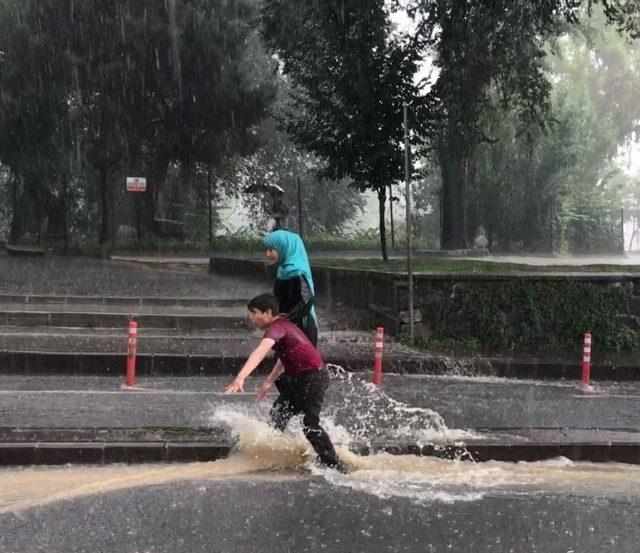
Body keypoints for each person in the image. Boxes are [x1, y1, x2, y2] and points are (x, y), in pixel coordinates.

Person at [225, 293, 345, 472]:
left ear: (267, 313)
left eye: (254, 313)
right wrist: (269, 380)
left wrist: (240, 378)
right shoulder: (282, 326)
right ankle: (273, 455)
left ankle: (334, 466)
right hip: (299, 380)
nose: (251, 317)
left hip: (313, 378)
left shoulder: (277, 327)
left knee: (310, 425)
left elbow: (259, 352)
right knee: (278, 415)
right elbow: (284, 356)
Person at [264, 229, 318, 347]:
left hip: (301, 327)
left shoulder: (297, 271)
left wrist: (288, 318)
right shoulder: (282, 270)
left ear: (283, 248)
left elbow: (307, 300)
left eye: (271, 250)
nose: (267, 254)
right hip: (286, 327)